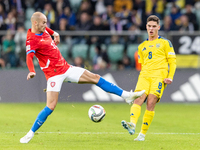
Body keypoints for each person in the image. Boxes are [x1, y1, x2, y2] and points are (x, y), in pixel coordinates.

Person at [20, 12, 145, 143]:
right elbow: (29, 57)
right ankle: (30, 133)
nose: (46, 25)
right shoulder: (31, 40)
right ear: (35, 23)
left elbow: (48, 30)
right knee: (51, 106)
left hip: (66, 68)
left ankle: (126, 96)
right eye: (44, 23)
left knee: (95, 77)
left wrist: (55, 33)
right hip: (54, 75)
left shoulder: (43, 29)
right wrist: (31, 71)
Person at [121, 15, 176, 141]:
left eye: (154, 26)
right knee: (137, 99)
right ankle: (132, 125)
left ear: (158, 27)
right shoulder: (141, 46)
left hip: (159, 76)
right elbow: (142, 64)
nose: (151, 29)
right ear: (146, 27)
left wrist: (170, 76)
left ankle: (142, 135)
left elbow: (172, 62)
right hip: (144, 75)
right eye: (149, 26)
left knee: (151, 103)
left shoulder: (165, 43)